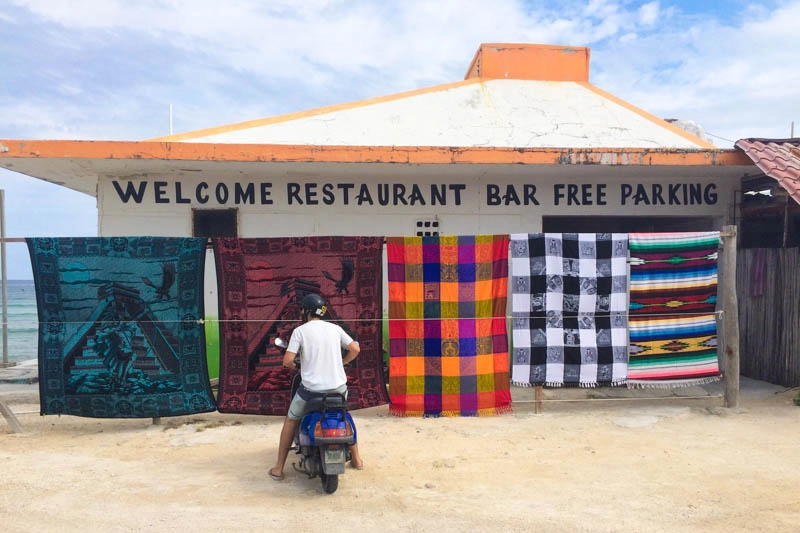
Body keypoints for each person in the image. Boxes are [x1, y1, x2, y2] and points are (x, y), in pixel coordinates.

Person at [268, 293, 364, 481]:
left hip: (310, 392)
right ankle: (358, 460)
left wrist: (296, 365)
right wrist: (343, 362)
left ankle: (278, 468)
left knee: (291, 420)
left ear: (306, 311)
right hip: (337, 389)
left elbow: (287, 360)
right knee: (343, 414)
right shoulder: (335, 329)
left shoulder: (300, 331)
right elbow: (356, 349)